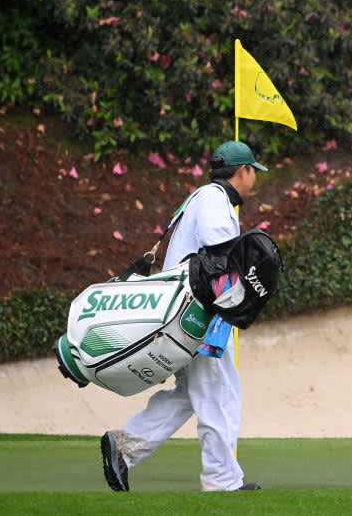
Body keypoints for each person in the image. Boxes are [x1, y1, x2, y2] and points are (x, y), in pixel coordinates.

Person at [100, 140, 268, 492]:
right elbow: (219, 256)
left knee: (192, 394)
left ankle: (124, 446)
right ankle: (222, 481)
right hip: (200, 315)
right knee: (218, 394)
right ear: (243, 171)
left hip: (186, 313)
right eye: (254, 170)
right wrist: (240, 299)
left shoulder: (202, 197)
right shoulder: (214, 200)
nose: (256, 178)